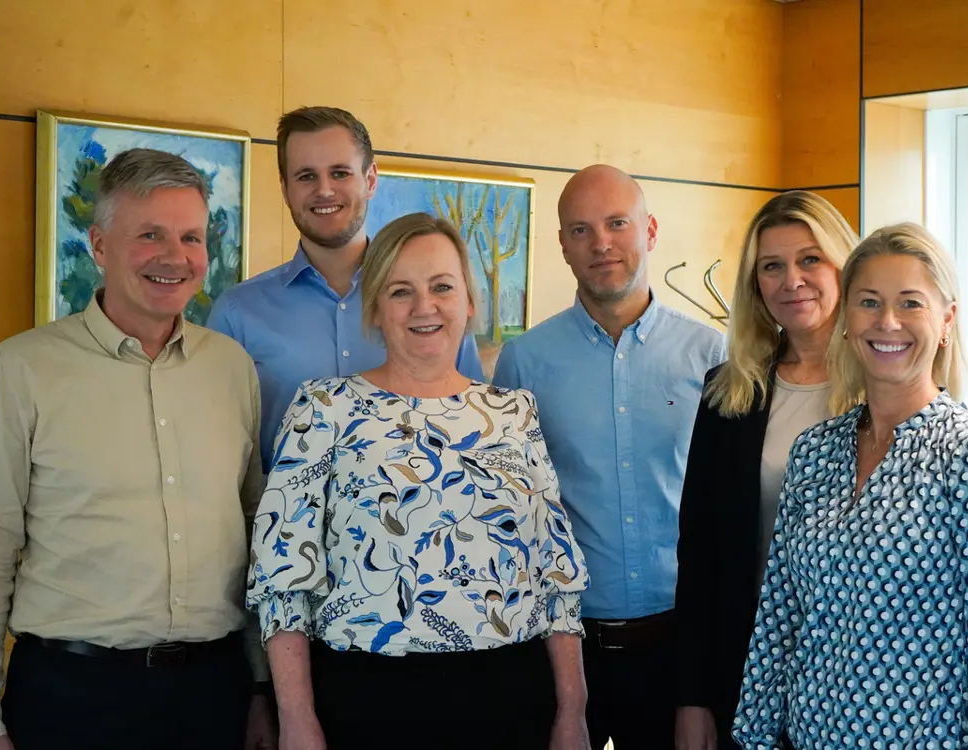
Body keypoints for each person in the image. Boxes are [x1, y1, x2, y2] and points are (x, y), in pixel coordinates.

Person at [0, 148, 275, 750]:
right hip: (72, 700)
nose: (175, 257)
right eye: (150, 235)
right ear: (98, 245)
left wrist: (258, 687)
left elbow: (255, 535)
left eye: (192, 237)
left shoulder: (231, 368)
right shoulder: (22, 370)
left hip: (214, 695)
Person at [246, 212, 591, 750]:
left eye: (442, 287)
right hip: (366, 702)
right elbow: (282, 579)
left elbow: (556, 574)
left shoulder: (512, 413)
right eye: (401, 291)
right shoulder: (324, 409)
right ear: (376, 309)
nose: (424, 307)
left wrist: (573, 712)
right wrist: (296, 718)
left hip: (511, 697)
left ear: (469, 302)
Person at [732, 223, 968, 749]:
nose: (888, 322)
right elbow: (779, 623)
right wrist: (753, 738)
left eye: (911, 304)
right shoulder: (813, 453)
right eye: (869, 302)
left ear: (947, 320)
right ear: (846, 320)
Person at [493, 164, 728, 749]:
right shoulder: (524, 362)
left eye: (617, 223)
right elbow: (514, 514)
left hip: (685, 645)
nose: (600, 244)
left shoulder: (713, 353)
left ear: (649, 230)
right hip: (568, 646)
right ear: (563, 247)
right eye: (580, 230)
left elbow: (725, 507)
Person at [674, 191, 858, 750]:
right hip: (748, 663)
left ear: (843, 266)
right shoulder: (730, 392)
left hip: (862, 668)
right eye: (771, 267)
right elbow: (700, 553)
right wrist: (692, 697)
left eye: (810, 260)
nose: (791, 280)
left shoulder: (887, 389)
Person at [207, 106, 484, 475]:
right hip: (285, 526)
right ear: (286, 189)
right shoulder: (236, 314)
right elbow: (220, 457)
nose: (324, 190)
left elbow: (469, 427)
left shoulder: (431, 311)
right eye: (306, 176)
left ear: (370, 179)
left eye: (340, 172)